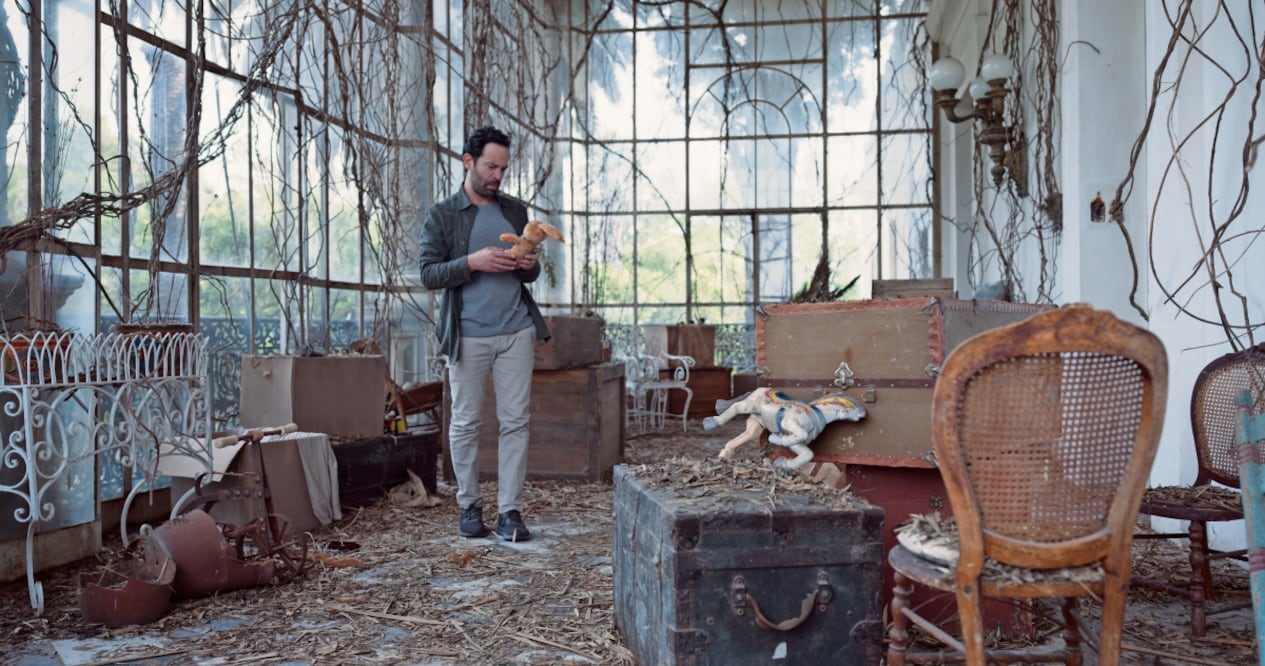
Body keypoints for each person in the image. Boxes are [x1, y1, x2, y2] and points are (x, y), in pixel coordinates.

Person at [419, 126, 551, 541]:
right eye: (490, 166)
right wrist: (472, 262)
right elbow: (427, 273)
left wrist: (527, 264)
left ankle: (510, 512)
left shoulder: (514, 210)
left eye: (502, 168)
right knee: (465, 423)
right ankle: (469, 505)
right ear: (467, 161)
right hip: (468, 334)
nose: (497, 175)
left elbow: (532, 269)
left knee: (515, 423)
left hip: (516, 331)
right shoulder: (442, 214)